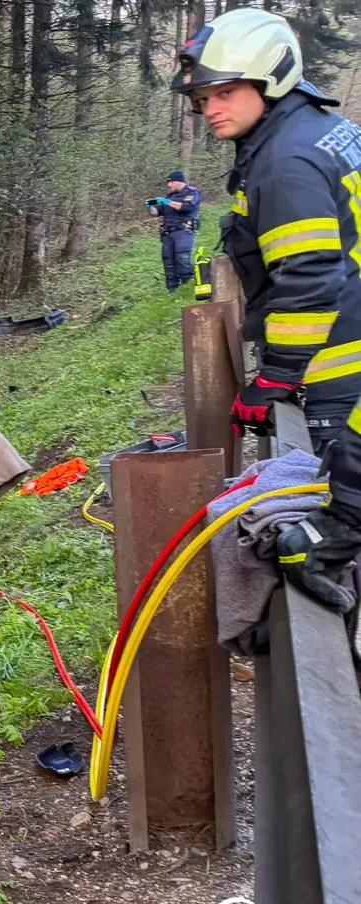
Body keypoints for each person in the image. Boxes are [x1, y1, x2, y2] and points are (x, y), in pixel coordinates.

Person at [169, 8, 361, 610]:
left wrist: (276, 374)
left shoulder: (285, 162)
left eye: (226, 92)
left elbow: (309, 276)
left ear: (272, 79)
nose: (211, 110)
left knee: (348, 494)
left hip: (343, 353)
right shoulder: (318, 127)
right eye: (203, 97)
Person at [148, 170, 203, 292]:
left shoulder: (192, 192)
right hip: (168, 233)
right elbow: (157, 213)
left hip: (183, 231)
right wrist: (150, 207)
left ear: (180, 182)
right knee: (168, 261)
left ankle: (188, 286)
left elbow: (186, 207)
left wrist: (167, 202)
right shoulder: (169, 197)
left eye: (171, 182)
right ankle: (172, 290)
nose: (169, 185)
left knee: (182, 259)